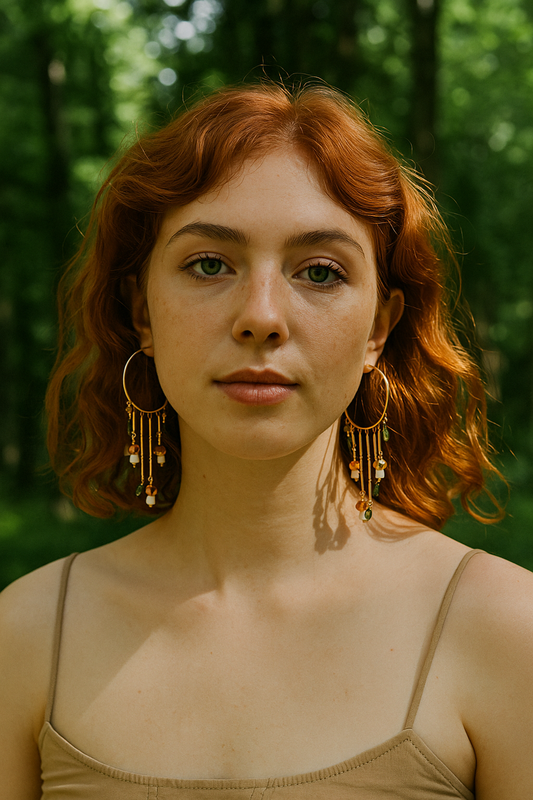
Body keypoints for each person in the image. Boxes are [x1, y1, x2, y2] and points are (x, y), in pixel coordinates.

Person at [1, 82, 532, 799]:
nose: (260, 316)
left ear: (379, 328)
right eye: (209, 264)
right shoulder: (26, 637)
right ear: (142, 313)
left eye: (319, 271)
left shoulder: (504, 631)